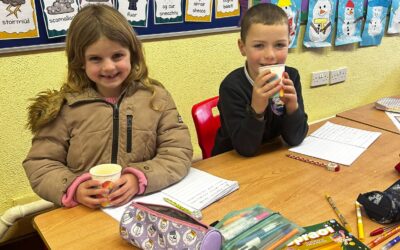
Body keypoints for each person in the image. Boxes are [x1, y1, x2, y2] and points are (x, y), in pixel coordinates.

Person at [23, 4, 193, 209]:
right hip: (84, 214)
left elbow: (178, 152)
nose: (109, 67)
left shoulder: (156, 99)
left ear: (133, 54)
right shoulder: (65, 108)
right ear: (81, 62)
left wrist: (140, 178)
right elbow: (40, 164)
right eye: (95, 59)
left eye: (117, 56)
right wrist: (73, 188)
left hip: (143, 207)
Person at [212, 3, 308, 157]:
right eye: (259, 46)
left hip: (271, 155)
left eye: (279, 45)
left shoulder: (291, 77)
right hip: (232, 160)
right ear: (242, 47)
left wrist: (293, 109)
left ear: (288, 43)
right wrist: (256, 110)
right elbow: (245, 149)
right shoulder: (231, 87)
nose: (270, 55)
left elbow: (295, 138)